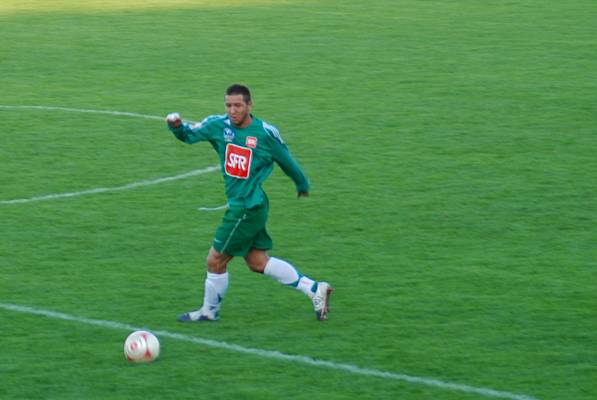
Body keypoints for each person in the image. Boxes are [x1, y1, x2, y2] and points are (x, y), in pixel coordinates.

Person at [165, 84, 333, 322]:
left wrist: (302, 183)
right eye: (229, 105)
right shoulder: (217, 125)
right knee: (257, 262)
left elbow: (286, 160)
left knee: (215, 259)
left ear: (249, 105)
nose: (232, 110)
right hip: (250, 205)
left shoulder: (264, 133)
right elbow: (189, 135)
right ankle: (315, 289)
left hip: (246, 207)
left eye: (238, 105)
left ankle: (208, 312)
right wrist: (176, 127)